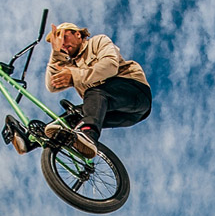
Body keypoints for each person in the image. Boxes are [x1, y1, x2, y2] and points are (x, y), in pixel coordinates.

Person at [44, 22, 152, 158]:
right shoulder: (70, 64)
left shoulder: (97, 42)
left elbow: (110, 66)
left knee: (95, 92)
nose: (63, 44)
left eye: (64, 37)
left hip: (135, 93)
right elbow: (52, 85)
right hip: (121, 114)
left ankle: (89, 135)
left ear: (77, 34)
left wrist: (75, 76)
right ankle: (30, 140)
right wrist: (56, 53)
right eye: (59, 42)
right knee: (72, 118)